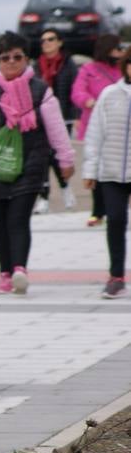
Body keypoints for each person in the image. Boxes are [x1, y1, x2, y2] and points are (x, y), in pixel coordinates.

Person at [0, 33, 76, 296]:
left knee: (18, 219)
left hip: (30, 164)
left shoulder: (41, 91)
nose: (11, 62)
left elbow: (57, 129)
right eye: (5, 58)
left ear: (26, 59)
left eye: (17, 57)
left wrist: (65, 159)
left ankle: (19, 269)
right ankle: (5, 272)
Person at [81, 50, 131, 298]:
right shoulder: (110, 94)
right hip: (111, 173)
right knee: (116, 219)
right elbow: (95, 135)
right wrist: (90, 170)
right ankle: (116, 275)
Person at [72, 35, 126, 226]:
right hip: (94, 124)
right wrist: (88, 101)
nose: (119, 52)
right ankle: (98, 210)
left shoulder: (122, 69)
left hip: (120, 128)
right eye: (116, 48)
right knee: (97, 168)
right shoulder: (89, 69)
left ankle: (115, 210)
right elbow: (77, 91)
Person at [34, 28, 81, 212]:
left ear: (59, 42)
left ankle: (65, 188)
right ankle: (44, 196)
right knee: (42, 157)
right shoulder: (37, 66)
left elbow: (74, 92)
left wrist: (76, 116)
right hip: (40, 119)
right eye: (43, 40)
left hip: (62, 118)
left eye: (51, 39)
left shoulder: (68, 65)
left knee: (58, 156)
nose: (46, 43)